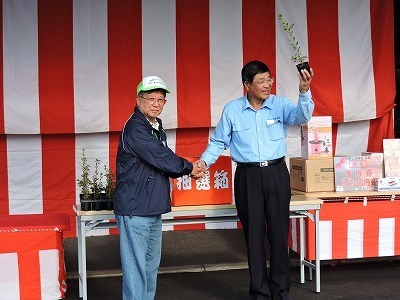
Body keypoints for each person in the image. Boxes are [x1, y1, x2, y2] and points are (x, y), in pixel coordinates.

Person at [199, 60, 314, 299]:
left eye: (269, 79)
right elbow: (219, 142)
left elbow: (301, 117)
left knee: (279, 234)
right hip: (247, 176)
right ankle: (260, 293)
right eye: (261, 81)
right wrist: (203, 163)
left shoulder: (280, 104)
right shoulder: (232, 110)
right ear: (246, 85)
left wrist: (304, 91)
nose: (267, 85)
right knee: (253, 236)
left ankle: (281, 291)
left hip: (276, 174)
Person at [113, 75, 204, 300]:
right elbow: (160, 156)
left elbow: (162, 163)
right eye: (150, 98)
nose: (156, 103)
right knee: (136, 270)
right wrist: (189, 167)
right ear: (138, 100)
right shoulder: (135, 128)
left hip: (152, 207)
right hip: (135, 208)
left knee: (150, 266)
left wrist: (187, 169)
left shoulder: (155, 126)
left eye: (160, 100)